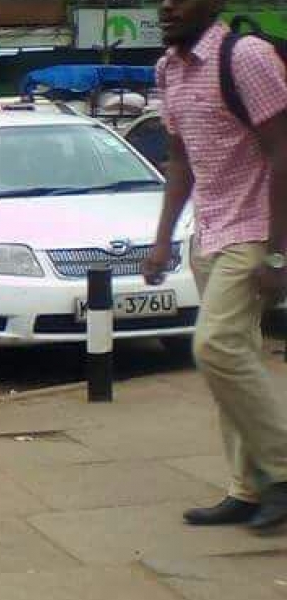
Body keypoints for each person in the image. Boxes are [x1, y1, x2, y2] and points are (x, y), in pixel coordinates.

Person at [143, 0, 287, 533]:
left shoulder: (245, 56)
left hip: (253, 231)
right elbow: (181, 160)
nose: (167, 6)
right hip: (209, 235)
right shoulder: (168, 68)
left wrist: (278, 252)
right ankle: (247, 488)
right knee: (233, 361)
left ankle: (282, 471)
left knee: (215, 346)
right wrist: (162, 240)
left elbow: (283, 153)